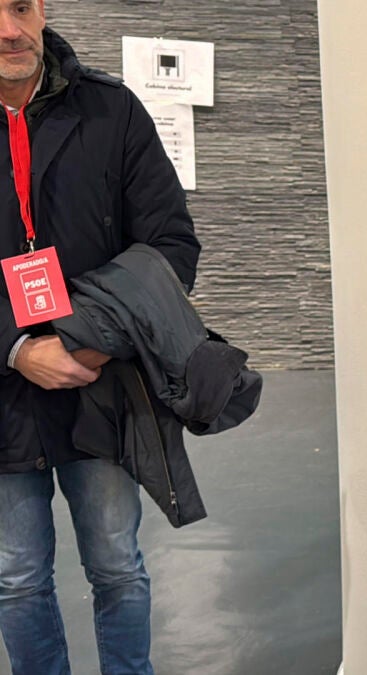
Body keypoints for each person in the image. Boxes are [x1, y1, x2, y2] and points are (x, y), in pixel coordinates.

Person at [0, 1, 201, 672]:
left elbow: (171, 246)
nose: (9, 30)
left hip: (102, 384)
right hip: (3, 395)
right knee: (17, 578)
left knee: (117, 565)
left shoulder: (112, 112)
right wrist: (18, 348)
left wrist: (94, 340)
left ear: (42, 9)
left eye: (20, 6)